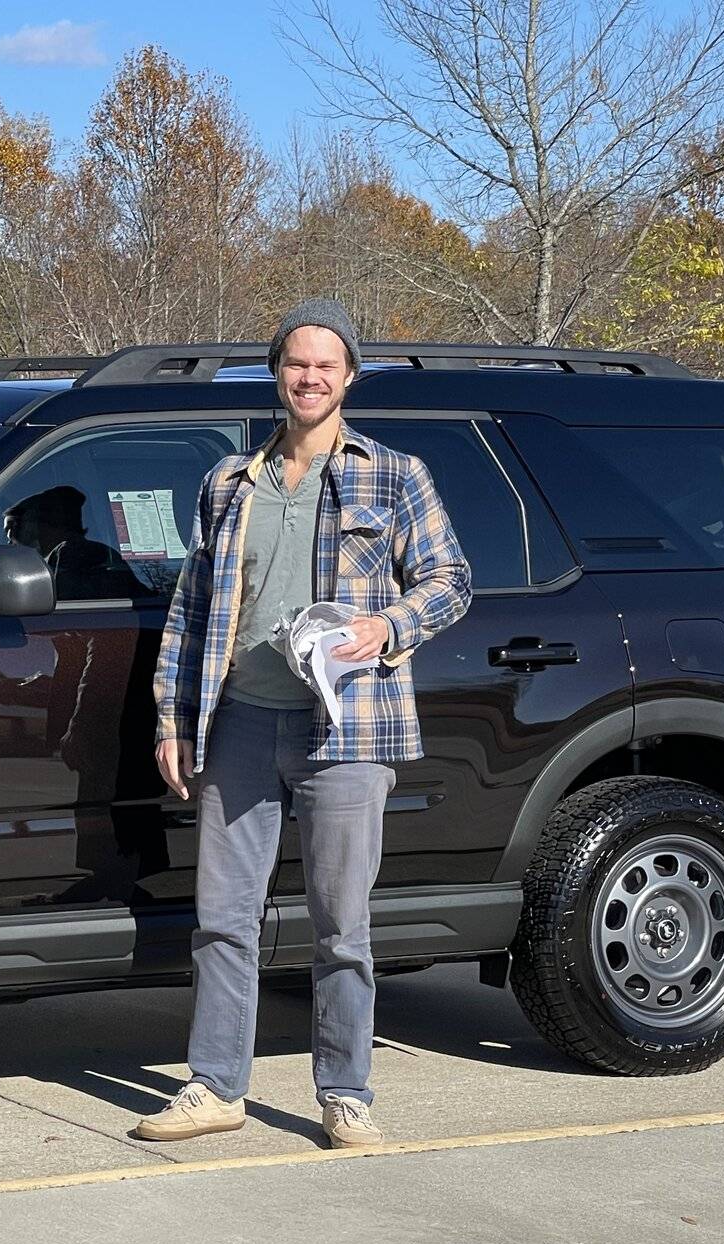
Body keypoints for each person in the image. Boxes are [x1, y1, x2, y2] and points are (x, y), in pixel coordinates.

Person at [139, 298, 471, 1147]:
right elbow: (191, 609)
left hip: (348, 731)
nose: (310, 377)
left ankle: (345, 1092)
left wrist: (384, 628)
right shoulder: (228, 484)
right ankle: (215, 1086)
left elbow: (450, 581)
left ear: (349, 376)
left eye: (326, 364)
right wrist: (173, 721)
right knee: (223, 917)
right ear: (276, 374)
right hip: (242, 722)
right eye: (296, 363)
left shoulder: (394, 476)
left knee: (342, 926)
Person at [2, 484, 147, 601]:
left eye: (13, 527)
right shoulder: (101, 552)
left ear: (36, 525)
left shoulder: (73, 553)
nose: (9, 539)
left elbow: (64, 604)